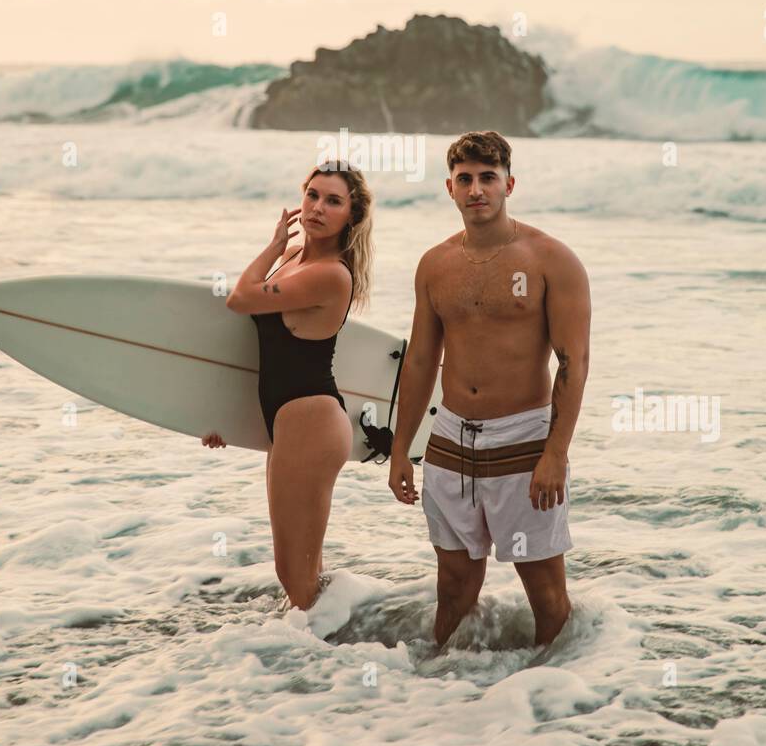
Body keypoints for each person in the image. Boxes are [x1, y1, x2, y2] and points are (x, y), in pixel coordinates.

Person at [388, 130, 590, 648]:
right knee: (453, 586)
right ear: (449, 189)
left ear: (508, 184)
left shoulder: (551, 259)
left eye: (487, 178)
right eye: (465, 179)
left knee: (544, 592)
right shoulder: (435, 264)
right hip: (452, 440)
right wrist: (400, 450)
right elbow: (419, 361)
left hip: (524, 441)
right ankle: (436, 684)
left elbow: (573, 363)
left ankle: (554, 700)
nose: (476, 189)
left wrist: (555, 453)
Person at [203, 161, 373, 611]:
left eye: (333, 201)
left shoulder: (330, 274)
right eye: (312, 195)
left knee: (294, 574)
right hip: (290, 420)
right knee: (298, 573)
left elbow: (241, 298)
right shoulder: (298, 260)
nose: (318, 207)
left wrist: (273, 244)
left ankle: (323, 665)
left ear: (350, 217)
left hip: (311, 422)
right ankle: (327, 647)